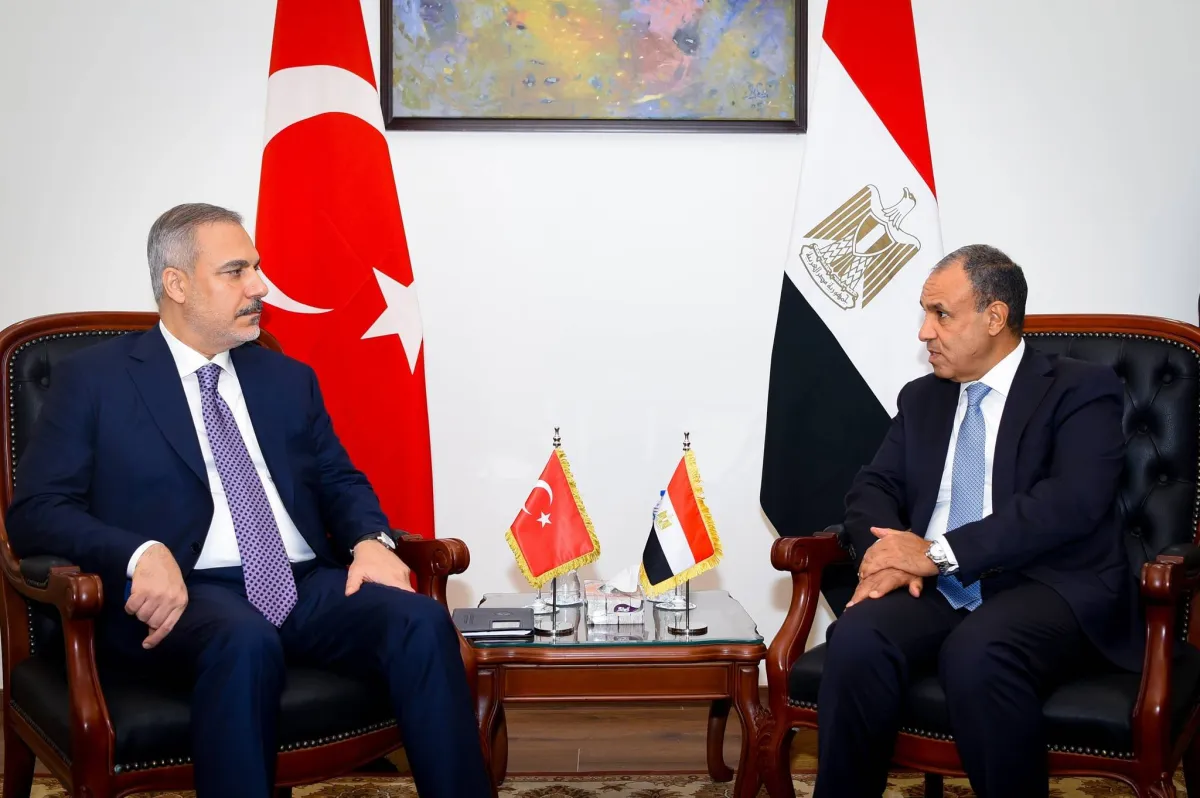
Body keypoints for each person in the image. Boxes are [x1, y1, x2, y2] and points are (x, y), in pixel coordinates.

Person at [5, 203, 492, 798]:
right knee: (243, 639)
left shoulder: (285, 378)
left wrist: (370, 540)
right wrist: (137, 553)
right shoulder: (94, 380)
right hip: (186, 595)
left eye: (256, 268)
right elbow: (36, 512)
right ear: (176, 284)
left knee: (420, 620)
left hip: (302, 585)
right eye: (236, 271)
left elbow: (339, 480)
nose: (259, 287)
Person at [813, 245, 1141, 798]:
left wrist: (936, 553)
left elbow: (1070, 502)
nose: (924, 332)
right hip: (937, 587)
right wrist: (889, 554)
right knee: (856, 637)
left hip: (1047, 584)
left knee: (980, 651)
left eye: (941, 314)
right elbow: (873, 487)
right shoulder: (923, 398)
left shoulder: (1081, 389)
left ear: (994, 317)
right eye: (925, 313)